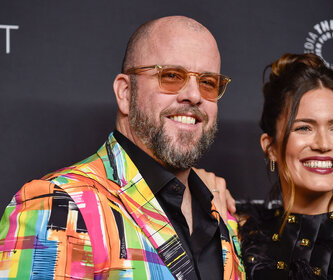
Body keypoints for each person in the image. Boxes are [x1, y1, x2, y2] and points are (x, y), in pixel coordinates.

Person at [0, 16, 244, 280]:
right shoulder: (57, 205)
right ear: (125, 93)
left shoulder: (223, 217)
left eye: (208, 83)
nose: (194, 95)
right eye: (172, 76)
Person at [205, 53, 333, 279]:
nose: (324, 144)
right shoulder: (241, 233)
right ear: (271, 147)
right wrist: (201, 187)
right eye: (304, 128)